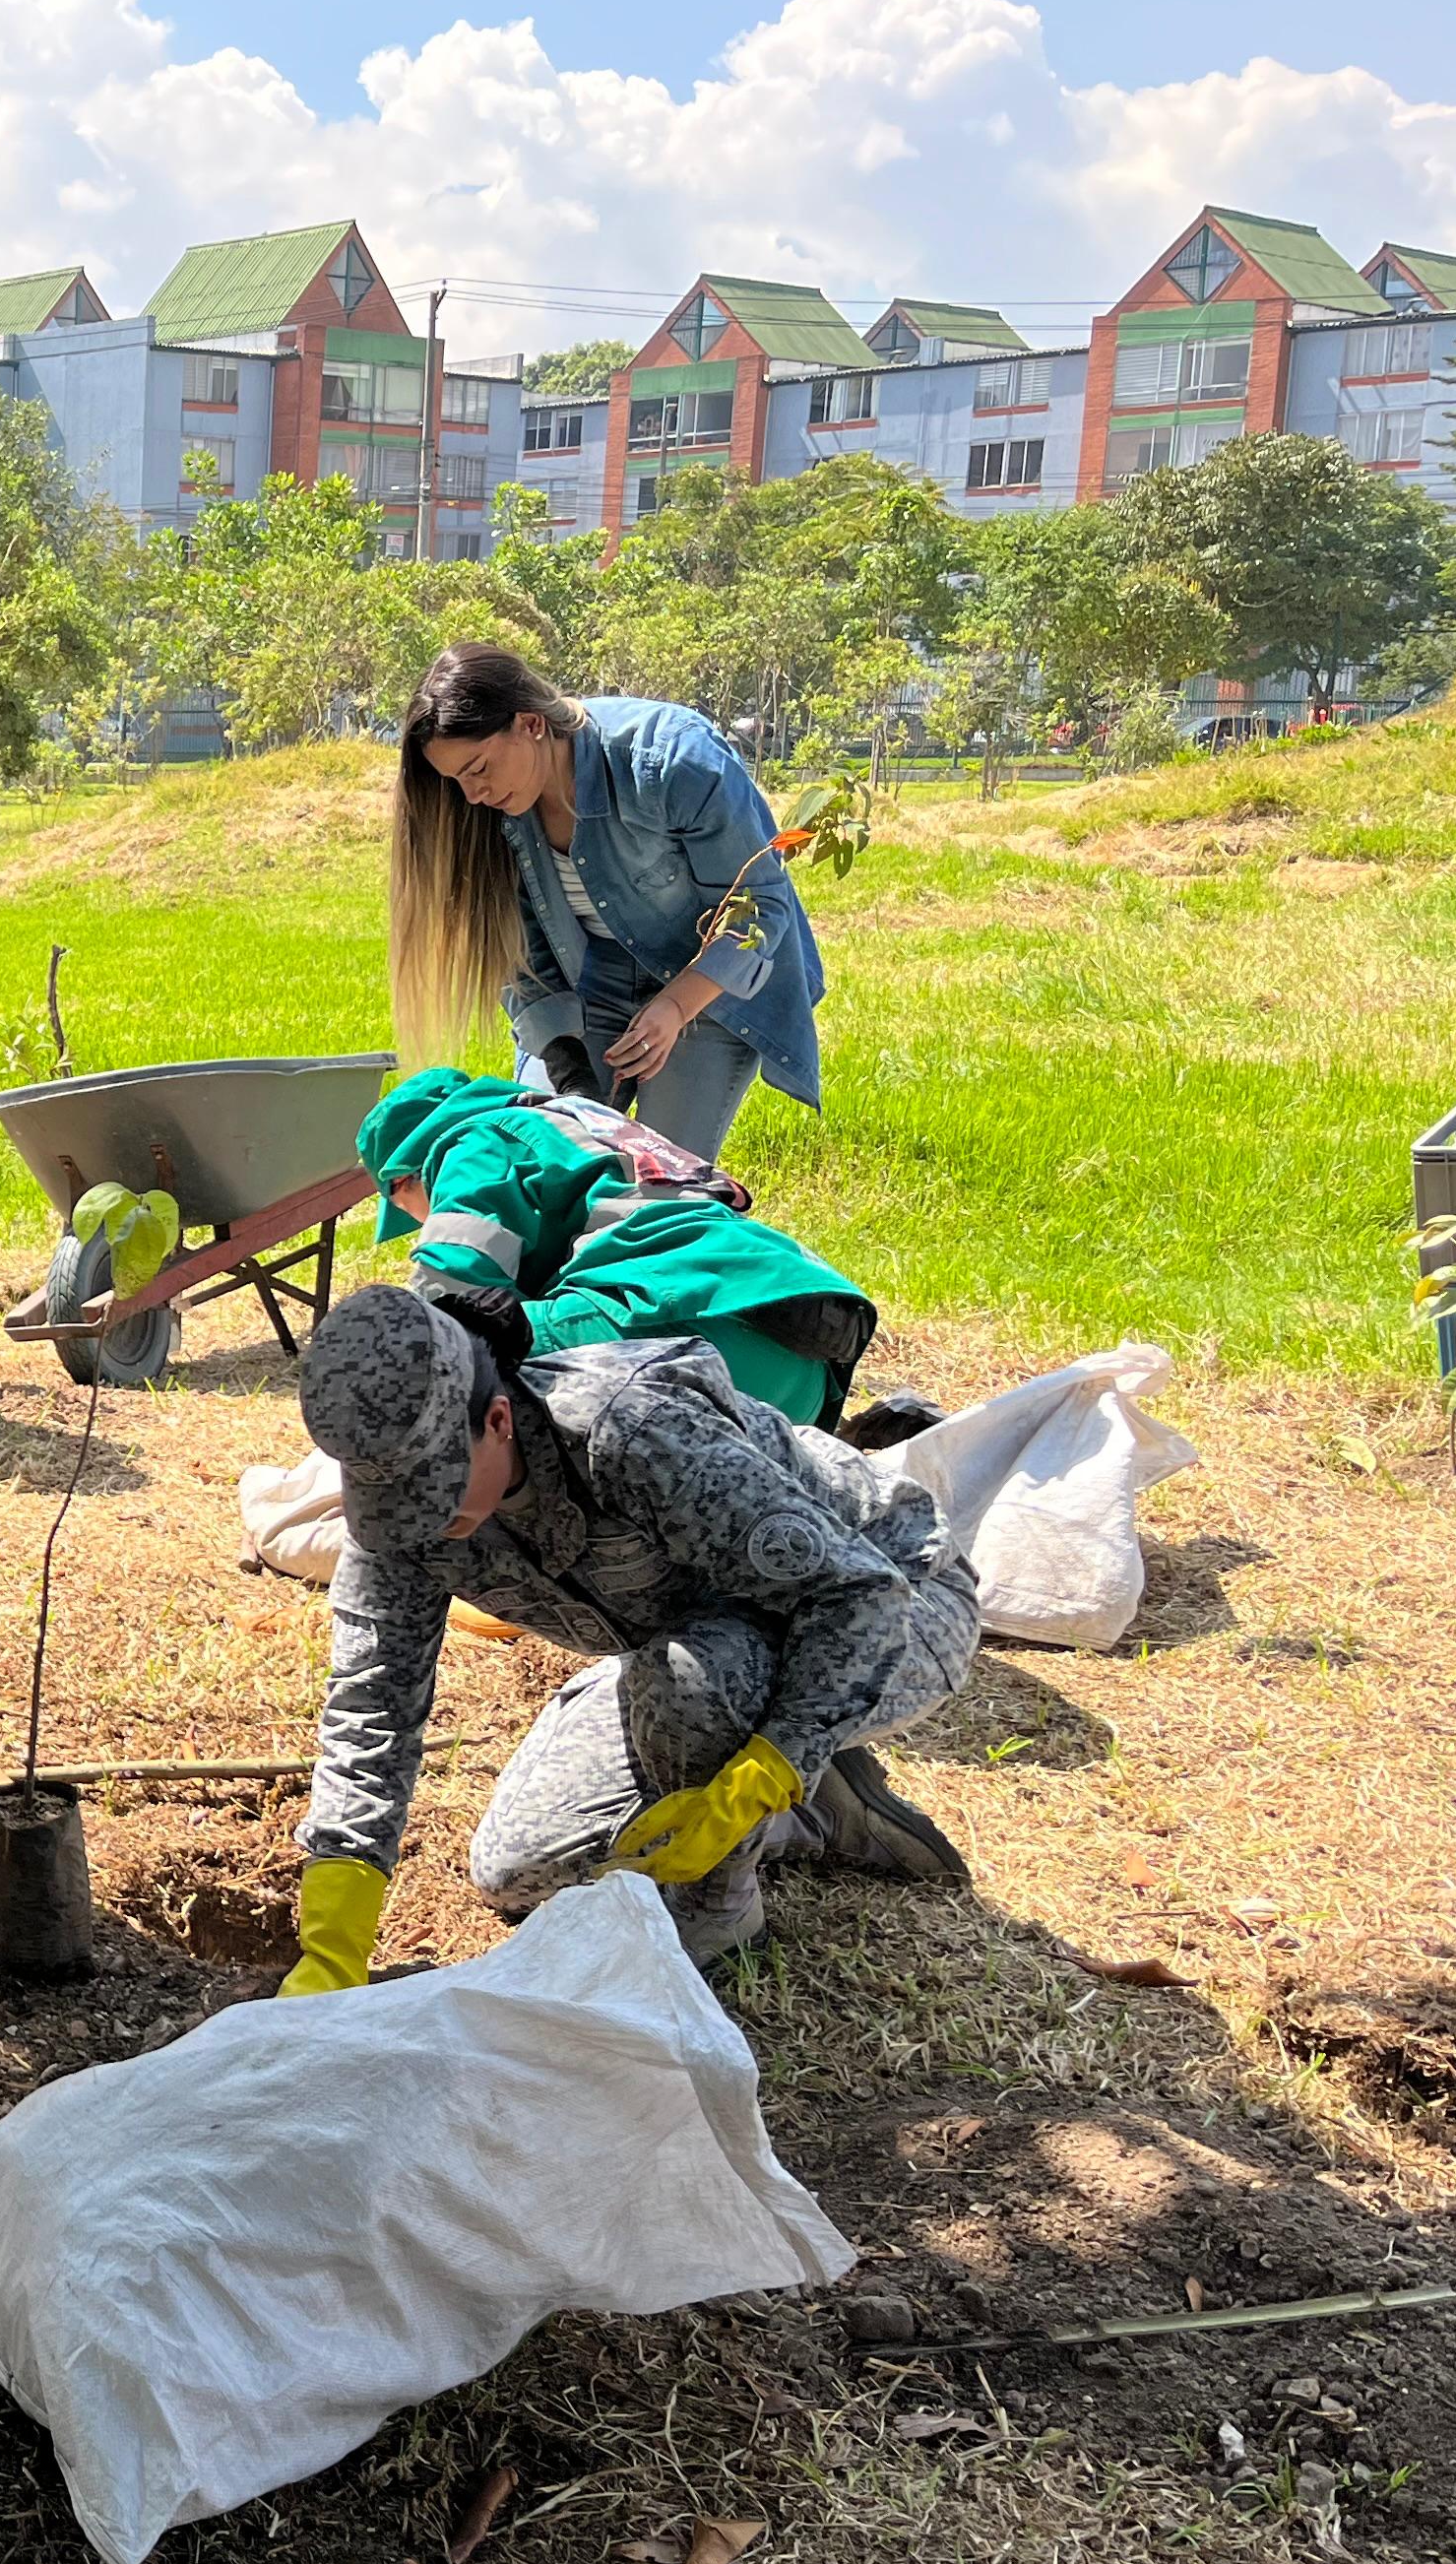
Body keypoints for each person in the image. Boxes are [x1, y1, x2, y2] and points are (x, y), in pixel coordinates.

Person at [277, 1284, 976, 1993]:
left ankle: (723, 1900)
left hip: (900, 1599)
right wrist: (334, 1942)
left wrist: (767, 1769)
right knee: (519, 1868)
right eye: (390, 1499)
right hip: (676, 1652)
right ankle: (817, 1809)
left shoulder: (631, 1431)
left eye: (434, 1487)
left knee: (695, 1677)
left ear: (496, 1420)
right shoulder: (401, 1525)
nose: (417, 1519)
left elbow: (859, 1594)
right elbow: (373, 1708)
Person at [388, 644, 820, 1163]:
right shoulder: (489, 811)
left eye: (479, 768)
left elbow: (759, 906)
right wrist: (570, 1078)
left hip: (706, 988)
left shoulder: (673, 759)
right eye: (456, 781)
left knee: (659, 1186)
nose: (473, 794)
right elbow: (518, 953)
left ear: (530, 724)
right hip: (586, 985)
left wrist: (676, 1005)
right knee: (545, 1165)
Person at [358, 1065, 877, 1427]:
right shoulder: (575, 1117)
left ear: (404, 1180)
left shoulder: (471, 1141)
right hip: (802, 1361)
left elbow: (450, 1293)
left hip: (680, 1324)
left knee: (460, 1348)